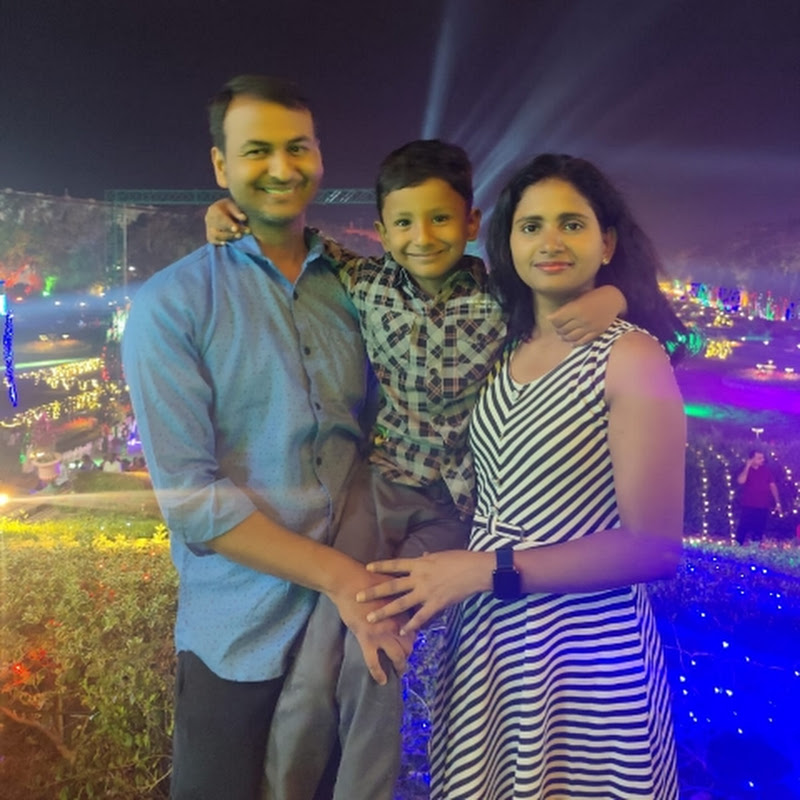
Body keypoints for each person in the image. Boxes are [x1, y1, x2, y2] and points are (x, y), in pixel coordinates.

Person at [206, 141, 628, 799]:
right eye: (403, 222)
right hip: (378, 487)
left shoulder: (503, 296)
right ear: (381, 231)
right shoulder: (365, 281)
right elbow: (292, 243)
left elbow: (573, 301)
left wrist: (611, 299)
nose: (422, 237)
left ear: (471, 222)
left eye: (440, 219)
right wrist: (224, 217)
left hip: (454, 508)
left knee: (378, 651)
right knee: (318, 658)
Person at [359, 153, 687, 799]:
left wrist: (486, 570)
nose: (550, 241)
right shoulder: (501, 344)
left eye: (572, 224)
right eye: (531, 226)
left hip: (585, 651)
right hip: (488, 644)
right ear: (506, 243)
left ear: (607, 242)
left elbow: (653, 548)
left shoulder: (630, 355)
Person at [121, 75, 413, 800]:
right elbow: (193, 502)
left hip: (347, 639)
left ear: (319, 156)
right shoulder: (173, 304)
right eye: (256, 151)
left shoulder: (361, 289)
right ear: (220, 166)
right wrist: (340, 577)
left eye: (297, 147)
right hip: (238, 638)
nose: (281, 168)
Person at [735, 448, 781, 545]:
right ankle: (738, 546)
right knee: (743, 527)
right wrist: (747, 466)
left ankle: (755, 547)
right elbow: (741, 481)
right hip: (749, 504)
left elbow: (772, 486)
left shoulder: (766, 470)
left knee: (759, 529)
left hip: (763, 505)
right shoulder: (746, 469)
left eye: (762, 458)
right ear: (752, 459)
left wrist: (777, 502)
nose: (762, 460)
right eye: (759, 458)